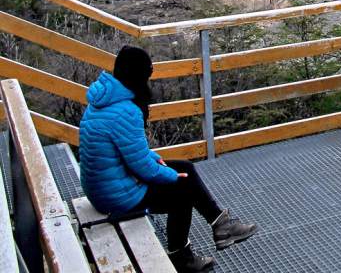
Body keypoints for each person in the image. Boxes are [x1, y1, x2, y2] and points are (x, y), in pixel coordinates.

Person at [79, 46, 257, 272]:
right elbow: (142, 168)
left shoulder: (103, 102)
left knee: (186, 168)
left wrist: (157, 161)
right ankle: (183, 257)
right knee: (182, 191)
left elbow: (126, 151)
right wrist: (171, 176)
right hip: (115, 196)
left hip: (103, 186)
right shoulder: (126, 110)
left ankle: (221, 224)